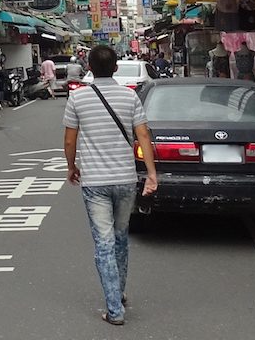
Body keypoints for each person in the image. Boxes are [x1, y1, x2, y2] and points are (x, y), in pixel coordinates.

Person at [63, 45, 157, 326]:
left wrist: (71, 167)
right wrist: (151, 174)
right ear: (115, 68)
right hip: (126, 179)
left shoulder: (77, 98)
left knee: (103, 244)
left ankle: (114, 308)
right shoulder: (130, 97)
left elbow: (69, 141)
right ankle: (120, 292)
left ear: (88, 68)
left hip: (95, 182)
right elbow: (143, 136)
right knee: (120, 237)